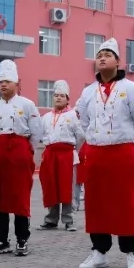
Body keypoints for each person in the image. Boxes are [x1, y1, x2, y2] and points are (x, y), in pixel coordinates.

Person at [76, 39, 134, 268]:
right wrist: (92, 139)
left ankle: (131, 251)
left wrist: (132, 144)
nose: (103, 58)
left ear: (118, 61)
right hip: (96, 152)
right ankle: (99, 251)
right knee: (96, 204)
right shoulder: (87, 92)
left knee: (125, 202)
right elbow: (83, 121)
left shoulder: (131, 88)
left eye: (108, 54)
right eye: (99, 55)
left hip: (122, 151)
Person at [0, 60, 41, 256]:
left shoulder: (28, 105)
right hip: (0, 153)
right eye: (0, 82)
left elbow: (36, 132)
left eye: (7, 81)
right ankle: (1, 239)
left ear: (17, 84)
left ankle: (22, 239)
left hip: (20, 152)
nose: (3, 85)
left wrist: (25, 150)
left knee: (19, 195)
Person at [38, 79, 84, 232]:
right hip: (50, 154)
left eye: (62, 96)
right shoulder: (45, 117)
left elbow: (81, 136)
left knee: (67, 187)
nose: (58, 98)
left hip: (66, 155)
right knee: (51, 186)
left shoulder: (73, 116)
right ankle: (51, 219)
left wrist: (72, 150)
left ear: (67, 98)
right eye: (56, 95)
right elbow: (41, 135)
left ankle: (68, 219)